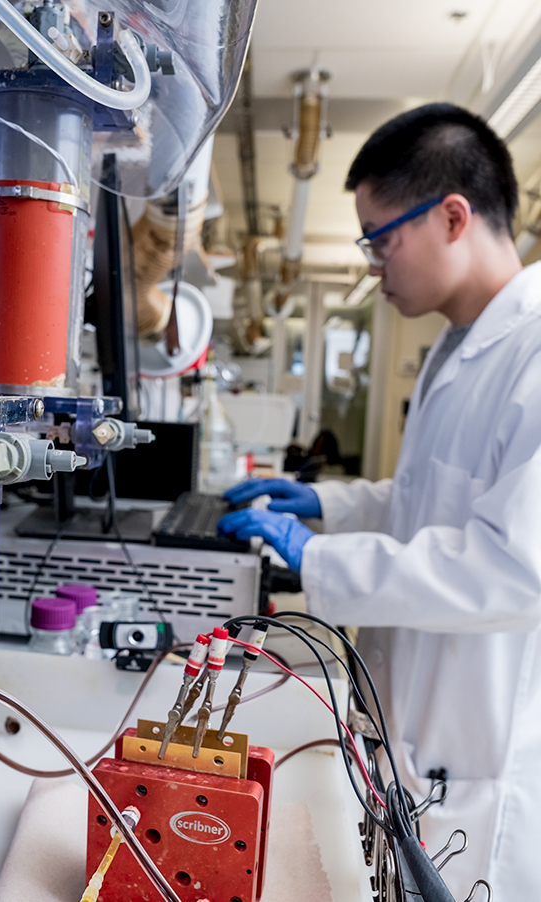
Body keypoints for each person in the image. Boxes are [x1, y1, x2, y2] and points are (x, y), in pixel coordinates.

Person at [218, 103, 541, 900]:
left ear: (454, 216)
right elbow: (432, 500)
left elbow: (514, 562)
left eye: (381, 239)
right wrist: (326, 506)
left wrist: (317, 558)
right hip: (411, 735)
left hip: (481, 759)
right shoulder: (455, 345)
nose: (372, 265)